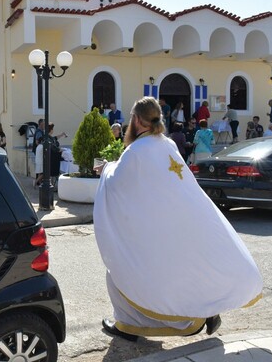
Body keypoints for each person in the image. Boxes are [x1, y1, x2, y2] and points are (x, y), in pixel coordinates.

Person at [93, 96, 262, 342]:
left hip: (154, 231)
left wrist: (107, 168)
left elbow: (117, 183)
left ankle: (128, 325)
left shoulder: (135, 151)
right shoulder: (167, 145)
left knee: (123, 268)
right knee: (188, 270)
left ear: (137, 120)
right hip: (183, 222)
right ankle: (206, 311)